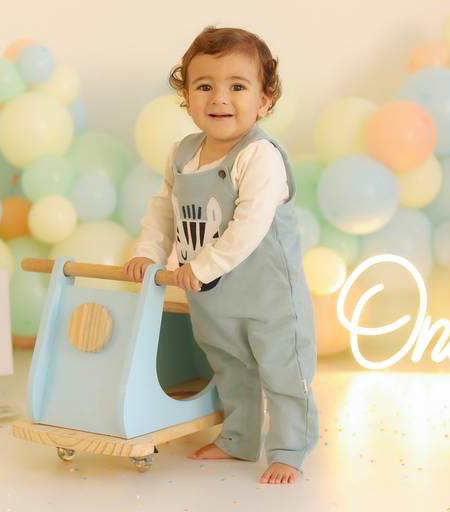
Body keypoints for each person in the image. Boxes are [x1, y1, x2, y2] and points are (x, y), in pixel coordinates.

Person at [123, 26, 318, 485]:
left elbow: (249, 224)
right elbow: (164, 211)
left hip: (268, 296)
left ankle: (290, 448)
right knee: (231, 367)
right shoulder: (182, 154)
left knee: (283, 371)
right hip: (212, 296)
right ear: (187, 96)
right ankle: (239, 438)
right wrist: (148, 252)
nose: (220, 98)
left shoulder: (259, 156)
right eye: (205, 86)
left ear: (265, 100)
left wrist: (203, 266)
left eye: (237, 86)